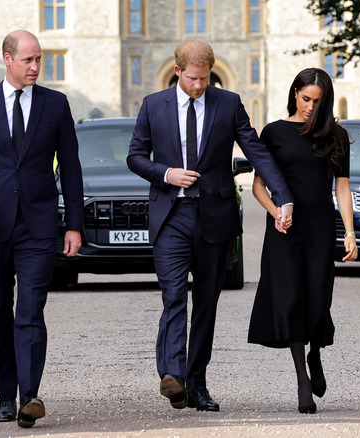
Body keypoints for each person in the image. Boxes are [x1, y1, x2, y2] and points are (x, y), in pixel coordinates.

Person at [127, 41, 294, 411]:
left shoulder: (228, 103)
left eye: (205, 78)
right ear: (177, 71)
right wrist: (166, 173)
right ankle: (173, 374)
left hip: (215, 219)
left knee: (206, 304)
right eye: (192, 78)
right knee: (173, 296)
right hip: (171, 216)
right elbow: (135, 157)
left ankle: (196, 383)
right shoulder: (154, 105)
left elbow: (256, 151)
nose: (200, 85)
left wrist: (283, 197)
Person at [0, 30, 84, 428]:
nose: (35, 67)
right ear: (7, 59)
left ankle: (30, 395)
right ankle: (5, 395)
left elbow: (71, 168)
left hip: (39, 225)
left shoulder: (56, 105)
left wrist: (73, 224)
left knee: (30, 310)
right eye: (28, 60)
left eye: (39, 59)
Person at [247, 67, 357, 414]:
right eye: (305, 98)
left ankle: (316, 353)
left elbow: (342, 186)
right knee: (290, 298)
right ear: (295, 93)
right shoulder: (275, 133)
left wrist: (350, 232)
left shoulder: (336, 135)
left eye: (317, 101)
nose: (310, 106)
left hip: (321, 228)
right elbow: (258, 185)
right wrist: (276, 211)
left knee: (316, 296)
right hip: (285, 229)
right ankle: (301, 382)